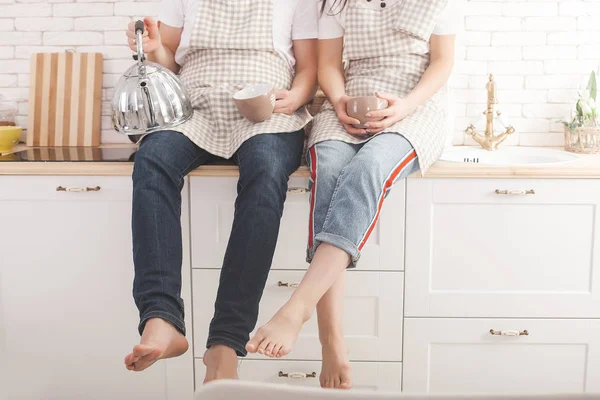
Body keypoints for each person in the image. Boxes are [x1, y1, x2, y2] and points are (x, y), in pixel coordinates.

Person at [246, 0, 458, 390]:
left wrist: (404, 106)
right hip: (346, 108)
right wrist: (340, 99)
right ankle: (331, 335)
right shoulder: (339, 3)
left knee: (368, 167)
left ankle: (299, 306)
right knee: (328, 168)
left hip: (415, 110)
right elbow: (328, 63)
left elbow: (442, 62)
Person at [122, 0, 318, 384]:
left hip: (265, 108)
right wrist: (152, 48)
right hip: (196, 105)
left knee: (265, 171)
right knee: (152, 159)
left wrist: (296, 97)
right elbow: (170, 63)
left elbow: (309, 68)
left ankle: (225, 343)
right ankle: (161, 318)